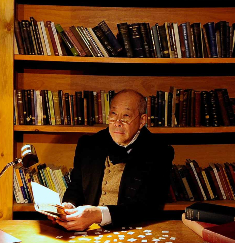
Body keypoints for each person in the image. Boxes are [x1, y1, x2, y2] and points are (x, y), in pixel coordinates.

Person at [53, 89, 174, 231]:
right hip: (87, 232)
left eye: (126, 115)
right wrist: (69, 206)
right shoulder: (88, 144)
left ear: (142, 121)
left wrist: (98, 214)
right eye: (113, 114)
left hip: (133, 232)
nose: (117, 122)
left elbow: (148, 207)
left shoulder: (160, 151)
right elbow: (76, 188)